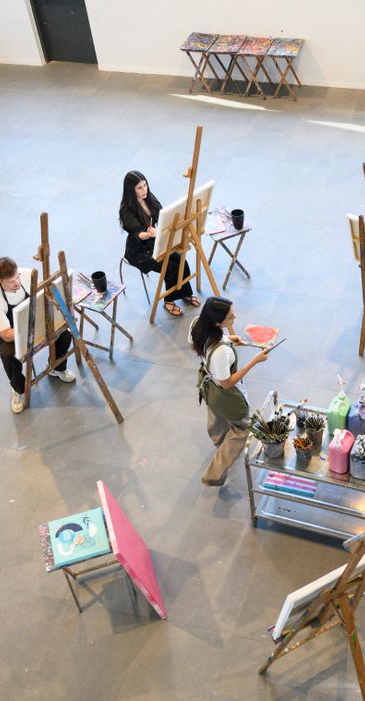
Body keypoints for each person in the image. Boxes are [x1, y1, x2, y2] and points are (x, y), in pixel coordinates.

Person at [190, 297, 269, 487]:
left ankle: (219, 442)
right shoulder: (222, 353)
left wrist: (228, 340)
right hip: (222, 392)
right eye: (230, 318)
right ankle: (214, 473)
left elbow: (210, 346)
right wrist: (254, 361)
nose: (235, 318)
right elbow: (226, 383)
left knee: (216, 418)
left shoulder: (197, 326)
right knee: (241, 428)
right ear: (217, 323)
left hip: (207, 385)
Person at [0, 257, 75, 414]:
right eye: (11, 281)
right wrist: (32, 331)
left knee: (64, 335)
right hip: (11, 331)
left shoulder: (26, 275)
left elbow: (46, 295)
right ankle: (18, 389)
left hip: (35, 320)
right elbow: (5, 334)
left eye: (17, 277)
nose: (17, 283)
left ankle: (57, 368)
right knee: (8, 354)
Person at [119, 170, 200, 317]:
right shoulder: (126, 211)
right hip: (139, 251)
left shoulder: (148, 198)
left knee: (181, 260)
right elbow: (137, 234)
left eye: (145, 185)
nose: (144, 190)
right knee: (171, 268)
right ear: (131, 190)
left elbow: (161, 215)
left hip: (154, 242)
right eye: (139, 188)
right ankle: (169, 300)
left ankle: (185, 293)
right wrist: (149, 233)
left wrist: (161, 228)